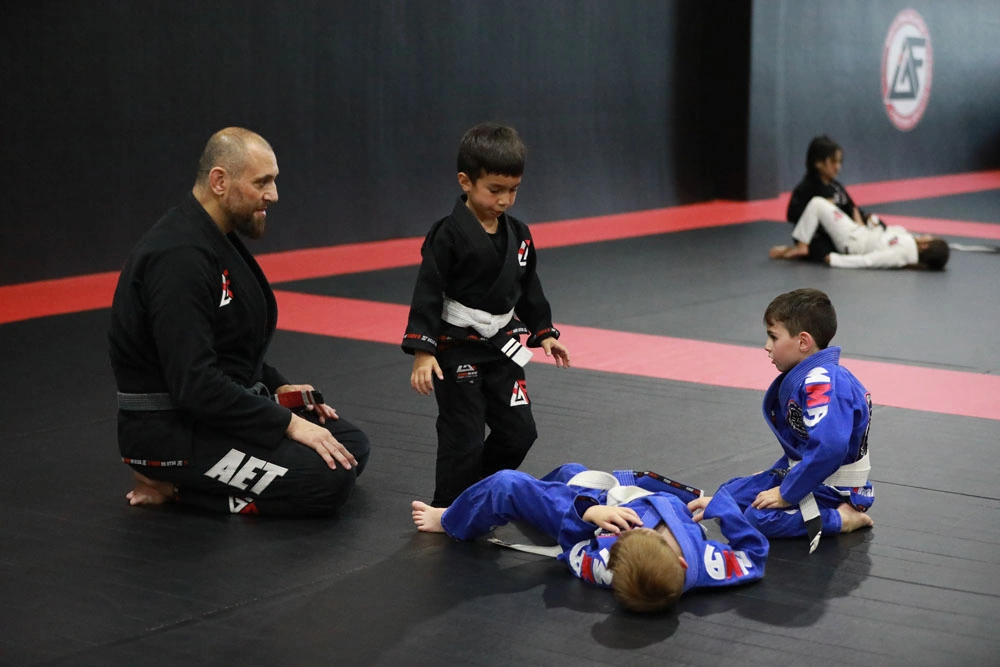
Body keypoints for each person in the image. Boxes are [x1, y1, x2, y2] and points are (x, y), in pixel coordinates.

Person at [108, 127, 370, 516]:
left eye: (273, 181)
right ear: (219, 181)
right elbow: (195, 384)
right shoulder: (178, 258)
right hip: (171, 433)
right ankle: (170, 486)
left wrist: (279, 386)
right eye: (261, 182)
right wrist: (288, 424)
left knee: (350, 446)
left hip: (207, 415)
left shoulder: (215, 238)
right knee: (326, 479)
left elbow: (228, 347)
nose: (273, 195)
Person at [401, 123, 571, 507]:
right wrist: (423, 351)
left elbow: (528, 287)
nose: (505, 200)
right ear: (466, 181)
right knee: (464, 437)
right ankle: (449, 508)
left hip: (502, 345)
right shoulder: (447, 235)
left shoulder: (520, 235)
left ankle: (477, 493)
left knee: (519, 433)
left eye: (513, 190)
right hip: (456, 347)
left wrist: (544, 332)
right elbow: (428, 291)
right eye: (495, 190)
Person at [411, 463, 768, 613]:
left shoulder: (605, 567)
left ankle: (452, 521)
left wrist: (588, 514)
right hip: (641, 499)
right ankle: (536, 502)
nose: (633, 532)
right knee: (571, 471)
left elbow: (574, 550)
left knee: (507, 484)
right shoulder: (709, 566)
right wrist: (724, 509)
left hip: (588, 516)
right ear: (681, 562)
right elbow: (755, 554)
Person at [689, 289, 874, 553]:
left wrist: (786, 492)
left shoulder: (822, 382)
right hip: (814, 474)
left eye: (773, 337)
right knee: (727, 494)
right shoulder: (811, 376)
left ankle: (841, 518)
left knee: (759, 518)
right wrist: (777, 474)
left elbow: (830, 448)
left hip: (836, 487)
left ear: (803, 342)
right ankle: (739, 500)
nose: (767, 346)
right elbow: (803, 447)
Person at [770, 195, 950, 269]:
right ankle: (800, 245)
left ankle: (801, 246)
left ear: (925, 246)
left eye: (930, 237)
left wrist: (836, 260)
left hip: (853, 241)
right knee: (828, 205)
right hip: (859, 231)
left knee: (817, 203)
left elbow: (870, 260)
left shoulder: (902, 253)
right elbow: (883, 236)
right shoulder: (907, 241)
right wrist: (872, 223)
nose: (926, 235)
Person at [786, 135, 875, 262]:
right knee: (824, 251)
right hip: (820, 238)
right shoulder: (806, 188)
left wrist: (866, 218)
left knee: (879, 227)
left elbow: (852, 208)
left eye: (839, 162)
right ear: (818, 163)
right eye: (833, 162)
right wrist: (824, 211)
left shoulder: (836, 187)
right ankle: (796, 250)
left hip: (845, 233)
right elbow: (792, 214)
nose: (837, 167)